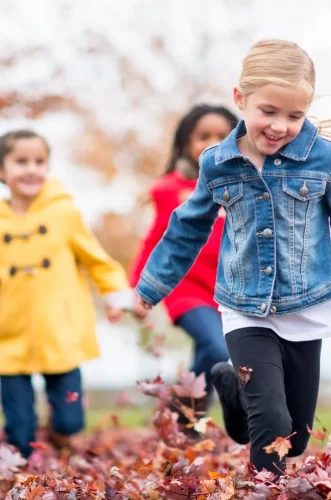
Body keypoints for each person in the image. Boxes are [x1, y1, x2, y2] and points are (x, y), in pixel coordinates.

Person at [135, 39, 331, 474]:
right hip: (245, 309)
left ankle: (229, 386)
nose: (280, 125)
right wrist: (150, 288)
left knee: (293, 436)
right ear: (241, 99)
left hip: (305, 305)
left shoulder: (322, 158)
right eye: (269, 111)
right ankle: (265, 487)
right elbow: (186, 228)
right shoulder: (218, 163)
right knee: (272, 425)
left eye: (294, 116)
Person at [0, 130, 145, 457]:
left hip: (61, 334)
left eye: (40, 161)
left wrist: (114, 296)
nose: (32, 169)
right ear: (0, 170)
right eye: (21, 161)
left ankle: (58, 439)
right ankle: (22, 479)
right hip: (13, 338)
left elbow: (97, 260)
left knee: (70, 421)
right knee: (19, 434)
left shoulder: (63, 214)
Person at [130, 105, 238, 414]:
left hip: (228, 288)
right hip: (186, 288)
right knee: (217, 346)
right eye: (203, 136)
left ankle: (188, 416)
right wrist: (139, 288)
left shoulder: (241, 185)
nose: (213, 142)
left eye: (222, 135)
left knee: (214, 350)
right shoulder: (169, 190)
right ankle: (187, 406)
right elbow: (153, 240)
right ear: (185, 143)